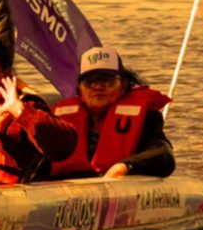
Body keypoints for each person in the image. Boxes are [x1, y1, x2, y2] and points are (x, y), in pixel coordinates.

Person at [0, 36, 77, 184]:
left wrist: (19, 110)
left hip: (1, 193)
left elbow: (64, 146)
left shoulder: (24, 105)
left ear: (5, 74)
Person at [50, 46, 175, 180]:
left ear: (123, 85)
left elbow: (163, 154)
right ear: (79, 88)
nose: (98, 87)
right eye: (89, 82)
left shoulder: (146, 118)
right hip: (67, 187)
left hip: (118, 184)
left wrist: (125, 166)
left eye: (107, 81)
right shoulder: (59, 123)